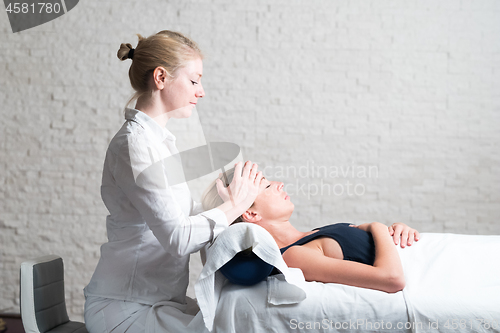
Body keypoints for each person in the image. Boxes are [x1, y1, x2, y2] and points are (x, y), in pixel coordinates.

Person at [83, 30, 265, 333]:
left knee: (240, 318)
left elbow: (180, 214)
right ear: (161, 77)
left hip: (159, 302)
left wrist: (228, 200)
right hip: (125, 309)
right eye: (194, 81)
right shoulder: (135, 146)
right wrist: (234, 205)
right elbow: (177, 238)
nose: (201, 91)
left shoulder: (159, 142)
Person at [201, 167, 420, 294]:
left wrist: (395, 230)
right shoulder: (295, 255)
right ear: (250, 214)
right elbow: (392, 279)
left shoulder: (310, 237)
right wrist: (378, 227)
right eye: (267, 186)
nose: (279, 184)